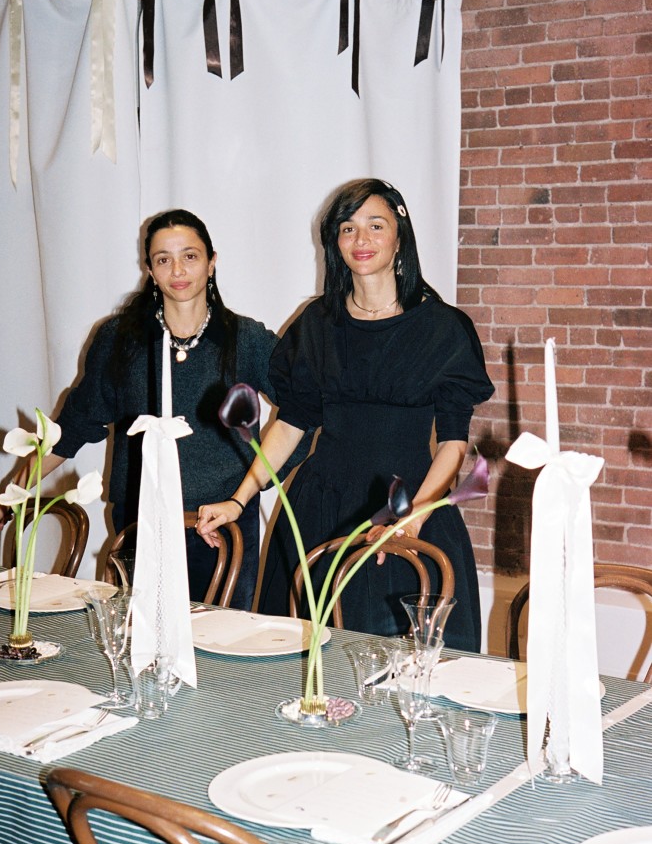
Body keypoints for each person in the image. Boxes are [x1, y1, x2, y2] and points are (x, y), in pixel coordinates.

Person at [197, 179, 494, 649]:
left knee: (405, 668)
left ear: (400, 236)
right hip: (322, 509)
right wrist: (239, 498)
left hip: (408, 510)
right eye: (348, 228)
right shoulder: (316, 324)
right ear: (334, 242)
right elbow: (291, 423)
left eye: (376, 226)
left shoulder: (443, 328)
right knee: (308, 664)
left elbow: (454, 442)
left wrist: (414, 515)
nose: (362, 240)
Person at [0, 209, 293, 609]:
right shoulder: (120, 339)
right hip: (138, 522)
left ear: (212, 262)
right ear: (149, 268)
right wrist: (12, 492)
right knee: (137, 645)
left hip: (221, 528)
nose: (177, 269)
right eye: (164, 259)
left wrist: (245, 493)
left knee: (217, 651)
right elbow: (73, 427)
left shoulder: (245, 339)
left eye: (190, 256)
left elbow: (299, 414)